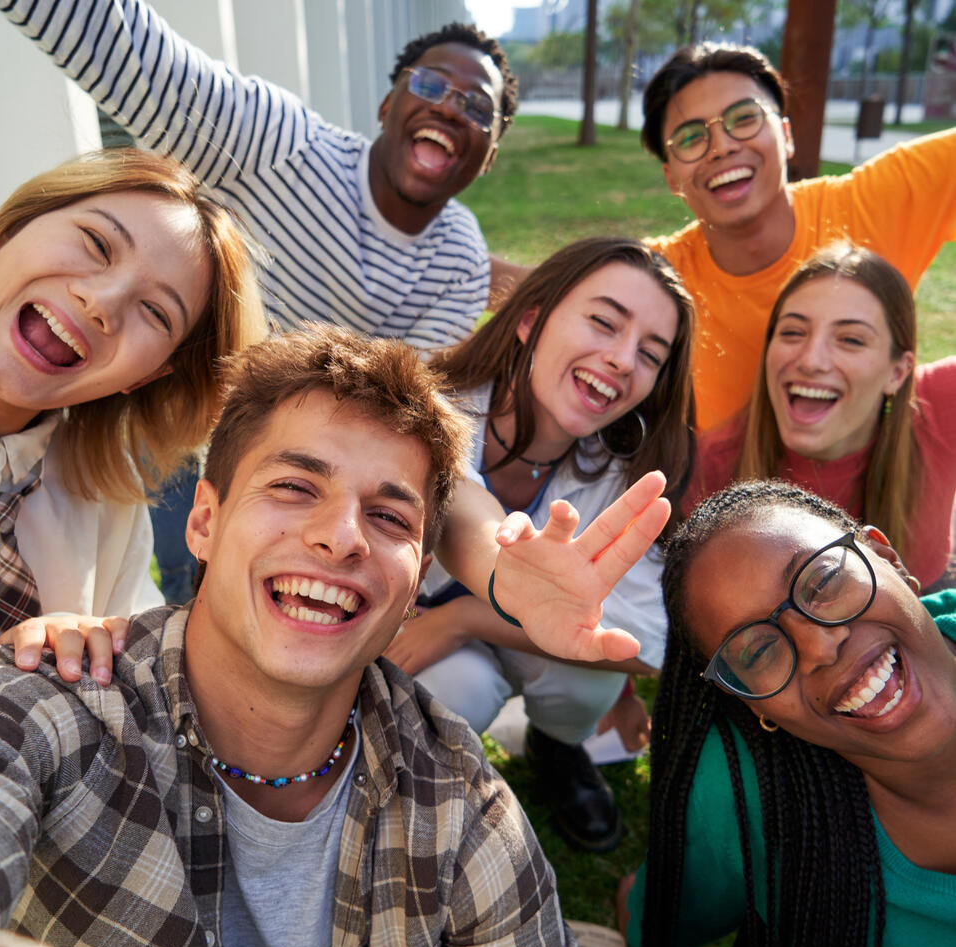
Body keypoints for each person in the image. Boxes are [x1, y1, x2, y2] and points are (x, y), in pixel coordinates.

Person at [0, 324, 673, 947]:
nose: (342, 536)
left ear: (417, 583)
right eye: (294, 486)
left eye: (387, 515)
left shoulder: (461, 801)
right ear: (203, 520)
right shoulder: (50, 712)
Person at [386, 236, 695, 853]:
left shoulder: (628, 471)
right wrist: (490, 596)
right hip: (405, 637)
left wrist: (467, 618)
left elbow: (650, 640)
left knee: (590, 682)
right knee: (455, 692)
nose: (621, 359)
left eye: (650, 354)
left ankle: (558, 746)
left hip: (503, 635)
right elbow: (462, 508)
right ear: (530, 319)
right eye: (604, 322)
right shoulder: (425, 404)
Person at [3, 0, 518, 348]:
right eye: (430, 84)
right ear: (387, 105)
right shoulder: (280, 141)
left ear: (490, 156)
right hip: (175, 411)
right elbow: (127, 49)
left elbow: (405, 398)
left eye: (476, 108)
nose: (450, 109)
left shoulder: (460, 260)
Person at [620, 479, 956, 947]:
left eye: (822, 583)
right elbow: (653, 920)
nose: (820, 646)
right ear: (754, 704)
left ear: (888, 559)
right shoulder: (742, 796)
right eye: (758, 652)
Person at [0, 148, 264, 644]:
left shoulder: (105, 502)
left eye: (157, 313)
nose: (102, 302)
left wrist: (84, 669)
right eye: (97, 243)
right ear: (18, 225)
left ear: (145, 377)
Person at [638, 42, 956, 429]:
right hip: (733, 488)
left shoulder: (873, 203)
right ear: (671, 177)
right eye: (690, 138)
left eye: (744, 118)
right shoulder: (656, 283)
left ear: (786, 135)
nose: (721, 147)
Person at [690, 244, 956, 591]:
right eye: (793, 332)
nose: (811, 360)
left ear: (897, 372)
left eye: (850, 340)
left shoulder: (937, 404)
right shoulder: (708, 471)